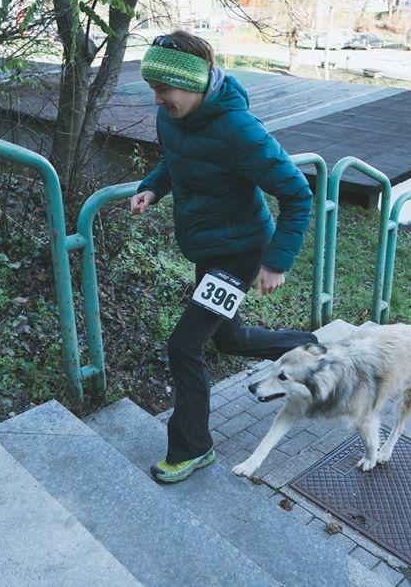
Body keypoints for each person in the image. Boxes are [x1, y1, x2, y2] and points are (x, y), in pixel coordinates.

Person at [130, 30, 318, 483]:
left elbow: (298, 194)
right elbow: (174, 161)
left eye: (163, 90)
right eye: (152, 89)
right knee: (228, 340)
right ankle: (304, 343)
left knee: (185, 344)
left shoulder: (239, 130)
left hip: (238, 253)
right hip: (209, 246)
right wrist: (152, 188)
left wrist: (275, 262)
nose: (157, 100)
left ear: (193, 85)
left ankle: (193, 448)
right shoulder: (173, 119)